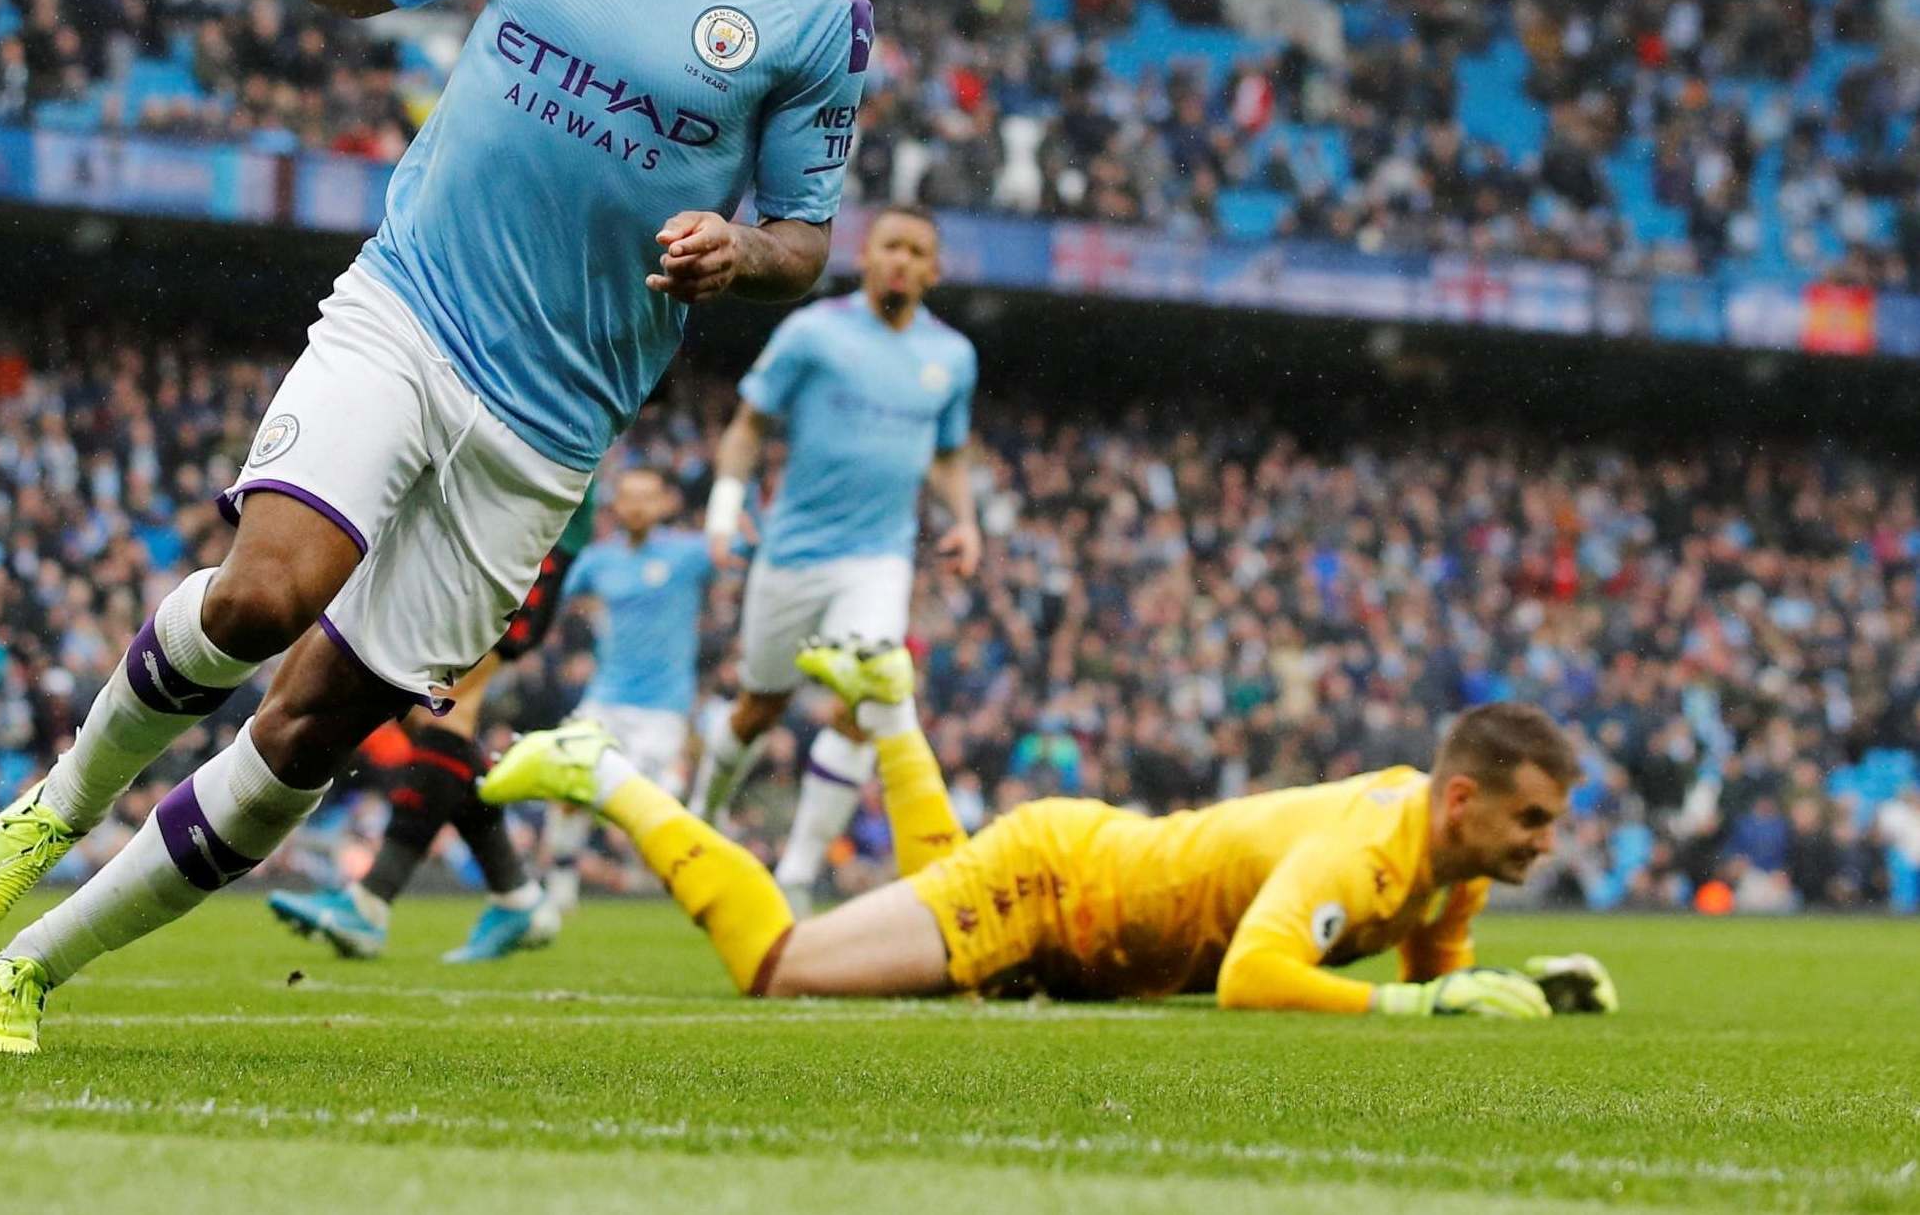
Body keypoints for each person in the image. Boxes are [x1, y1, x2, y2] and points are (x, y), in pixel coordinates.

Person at [0, 0, 871, 1054]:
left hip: (548, 429)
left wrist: (743, 254)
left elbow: (806, 234)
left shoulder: (814, 9)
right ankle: (55, 802)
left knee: (306, 732)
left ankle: (38, 966)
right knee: (263, 596)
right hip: (412, 310)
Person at [487, 644, 1621, 1016]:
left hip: (1075, 904)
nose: (1541, 843)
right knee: (781, 970)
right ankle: (608, 777)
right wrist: (1410, 1004)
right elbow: (1256, 977)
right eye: (1529, 819)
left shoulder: (1451, 860)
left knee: (953, 961)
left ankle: (889, 713)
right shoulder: (1364, 848)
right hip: (1056, 888)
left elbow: (1439, 972)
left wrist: (1515, 994)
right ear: (1462, 800)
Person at [689, 207, 978, 908]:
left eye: (917, 250)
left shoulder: (953, 358)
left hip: (878, 560)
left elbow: (947, 454)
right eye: (891, 247)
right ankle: (700, 819)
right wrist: (726, 510)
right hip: (792, 554)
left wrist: (966, 521)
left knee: (869, 698)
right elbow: (750, 424)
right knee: (761, 706)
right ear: (867, 256)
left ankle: (796, 872)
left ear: (933, 269)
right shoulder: (813, 333)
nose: (903, 261)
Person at [265, 491, 599, 963]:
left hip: (531, 539)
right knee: (433, 720)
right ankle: (515, 896)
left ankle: (371, 902)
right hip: (490, 532)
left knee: (447, 709)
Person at [540, 465, 717, 919]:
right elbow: (550, 599)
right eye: (629, 496)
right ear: (616, 504)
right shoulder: (598, 561)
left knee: (654, 803)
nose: (637, 505)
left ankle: (688, 881)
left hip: (664, 708)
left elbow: (743, 549)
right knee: (568, 778)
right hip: (606, 697)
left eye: (647, 496)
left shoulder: (690, 554)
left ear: (663, 504)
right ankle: (561, 886)